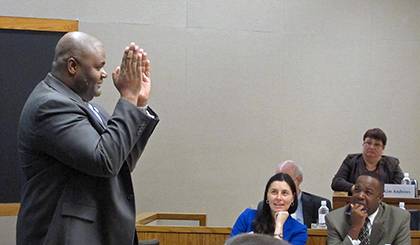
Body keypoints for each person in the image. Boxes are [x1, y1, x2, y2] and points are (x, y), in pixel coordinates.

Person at [16, 32, 159, 245]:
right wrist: (127, 97)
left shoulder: (85, 106)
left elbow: (120, 162)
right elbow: (105, 161)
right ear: (73, 66)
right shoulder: (50, 105)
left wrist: (138, 102)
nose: (104, 74)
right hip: (64, 236)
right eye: (98, 67)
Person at [326, 174, 411, 244]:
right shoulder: (334, 219)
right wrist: (355, 228)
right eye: (357, 190)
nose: (360, 196)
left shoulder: (399, 218)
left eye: (368, 192)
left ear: (380, 198)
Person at [231, 173, 307, 245]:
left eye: (284, 193)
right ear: (267, 196)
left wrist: (279, 225)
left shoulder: (299, 230)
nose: (278, 197)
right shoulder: (247, 217)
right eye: (274, 192)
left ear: (293, 198)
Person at [258, 160, 332, 228]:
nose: (281, 183)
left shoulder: (318, 204)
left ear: (299, 180)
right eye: (277, 179)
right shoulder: (263, 206)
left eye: (286, 179)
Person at [331, 128, 404, 193]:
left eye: (377, 144)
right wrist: (356, 188)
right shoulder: (351, 160)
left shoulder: (392, 164)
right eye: (368, 143)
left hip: (383, 204)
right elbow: (336, 182)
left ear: (383, 148)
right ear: (363, 144)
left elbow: (400, 186)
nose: (371, 147)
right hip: (355, 204)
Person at [225, 233, 290, 245]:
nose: (278, 198)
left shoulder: (298, 229)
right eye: (274, 195)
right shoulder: (248, 216)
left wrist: (279, 225)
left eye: (284, 195)